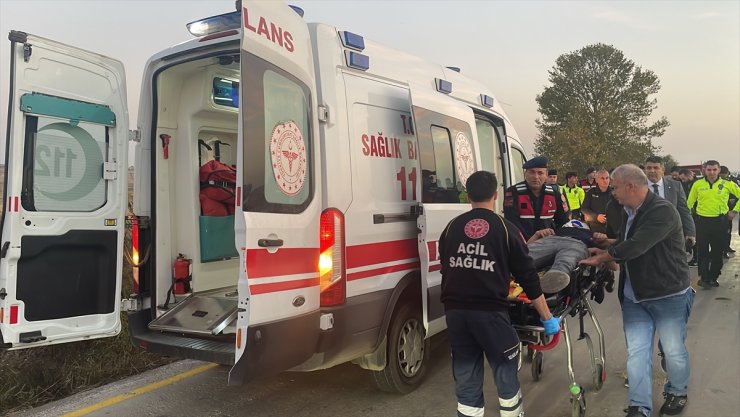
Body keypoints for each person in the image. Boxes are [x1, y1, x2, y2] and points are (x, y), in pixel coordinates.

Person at [439, 171, 560, 417]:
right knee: (505, 366)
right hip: (490, 314)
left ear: (468, 196)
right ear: (495, 195)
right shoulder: (506, 229)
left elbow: (447, 268)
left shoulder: (451, 228)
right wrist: (547, 318)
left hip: (455, 313)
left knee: (466, 372)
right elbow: (529, 279)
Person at [581, 164, 694, 417]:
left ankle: (677, 392)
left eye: (615, 187)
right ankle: (640, 405)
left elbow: (638, 245)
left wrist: (603, 258)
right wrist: (607, 246)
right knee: (637, 352)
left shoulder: (662, 210)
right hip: (635, 295)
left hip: (668, 294)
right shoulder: (630, 211)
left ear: (630, 185)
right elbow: (627, 240)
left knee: (673, 349)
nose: (613, 193)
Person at [504, 156, 569, 287]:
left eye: (540, 173)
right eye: (532, 172)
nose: (536, 177)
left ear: (546, 175)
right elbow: (511, 224)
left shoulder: (555, 193)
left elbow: (563, 222)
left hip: (548, 247)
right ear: (525, 174)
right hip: (523, 249)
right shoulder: (513, 192)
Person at [687, 160, 740, 288]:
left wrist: (735, 210)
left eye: (714, 170)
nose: (711, 172)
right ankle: (704, 278)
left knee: (718, 252)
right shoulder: (697, 184)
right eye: (709, 170)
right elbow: (689, 203)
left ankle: (713, 277)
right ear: (704, 170)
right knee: (702, 252)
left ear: (718, 170)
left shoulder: (727, 184)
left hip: (720, 222)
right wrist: (686, 219)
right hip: (702, 222)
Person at [644, 156, 696, 250]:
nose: (652, 171)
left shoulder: (675, 186)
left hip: (670, 236)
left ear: (662, 170)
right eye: (649, 168)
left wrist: (690, 232)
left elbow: (684, 211)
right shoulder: (638, 186)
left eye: (656, 168)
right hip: (645, 236)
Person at [581, 169, 613, 233]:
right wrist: (596, 217)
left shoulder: (615, 193)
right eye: (602, 178)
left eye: (607, 178)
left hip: (612, 227)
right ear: (596, 180)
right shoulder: (590, 192)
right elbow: (584, 208)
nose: (605, 181)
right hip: (595, 227)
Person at [720, 166, 737, 257]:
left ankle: (726, 248)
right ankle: (721, 250)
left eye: (724, 175)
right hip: (718, 213)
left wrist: (734, 210)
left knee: (727, 231)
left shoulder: (732, 182)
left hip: (729, 211)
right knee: (719, 233)